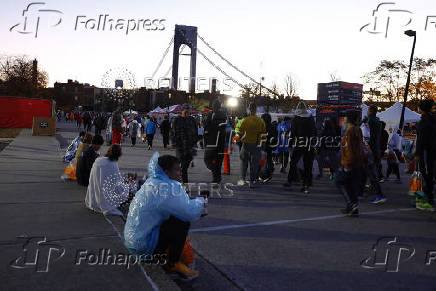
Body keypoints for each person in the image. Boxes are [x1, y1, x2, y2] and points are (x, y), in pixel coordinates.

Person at [124, 153, 205, 279]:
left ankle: (167, 257)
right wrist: (201, 201)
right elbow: (189, 212)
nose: (180, 173)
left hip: (133, 241)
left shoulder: (152, 181)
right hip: (143, 247)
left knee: (172, 218)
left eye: (180, 169)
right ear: (166, 172)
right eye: (177, 170)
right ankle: (173, 263)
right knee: (182, 222)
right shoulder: (166, 188)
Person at [85, 145, 127, 216]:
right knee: (129, 189)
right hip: (105, 197)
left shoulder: (98, 161)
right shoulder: (113, 164)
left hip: (93, 198)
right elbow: (118, 186)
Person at [284, 101, 317, 194]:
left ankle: (290, 181)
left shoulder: (296, 119)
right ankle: (306, 184)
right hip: (309, 143)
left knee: (293, 162)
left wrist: (290, 144)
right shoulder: (310, 118)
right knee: (308, 165)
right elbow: (314, 131)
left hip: (299, 143)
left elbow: (293, 133)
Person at [338, 110, 365, 216]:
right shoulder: (358, 130)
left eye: (345, 117)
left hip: (350, 162)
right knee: (350, 185)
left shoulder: (350, 132)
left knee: (340, 182)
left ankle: (352, 205)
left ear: (348, 119)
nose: (344, 119)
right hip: (357, 162)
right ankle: (352, 206)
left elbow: (349, 149)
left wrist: (347, 164)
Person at [237, 102, 266, 187]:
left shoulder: (245, 120)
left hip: (246, 144)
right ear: (256, 109)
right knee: (255, 163)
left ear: (249, 109)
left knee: (243, 162)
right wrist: (263, 144)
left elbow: (240, 132)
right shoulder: (260, 121)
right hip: (256, 144)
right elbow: (263, 134)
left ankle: (242, 179)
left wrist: (240, 140)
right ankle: (252, 181)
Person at [414, 99, 436, 211]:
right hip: (432, 151)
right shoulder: (433, 119)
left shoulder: (424, 121)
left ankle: (430, 202)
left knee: (426, 175)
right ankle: (429, 199)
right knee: (430, 174)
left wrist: (417, 154)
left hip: (425, 152)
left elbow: (421, 140)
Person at [172, 104, 198, 183]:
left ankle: (180, 182)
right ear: (182, 111)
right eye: (185, 110)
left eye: (188, 110)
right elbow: (173, 133)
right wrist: (175, 143)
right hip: (181, 147)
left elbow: (196, 132)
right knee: (183, 167)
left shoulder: (192, 120)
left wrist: (195, 143)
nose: (187, 112)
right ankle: (184, 184)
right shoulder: (177, 120)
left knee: (185, 167)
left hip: (190, 147)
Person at [203, 99, 227, 184]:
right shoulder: (224, 115)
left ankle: (215, 173)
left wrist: (205, 140)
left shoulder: (211, 115)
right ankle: (217, 178)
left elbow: (206, 128)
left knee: (207, 159)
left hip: (212, 141)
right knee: (218, 161)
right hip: (221, 142)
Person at [363, 105, 382, 182]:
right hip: (376, 145)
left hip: (369, 146)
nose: (367, 112)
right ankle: (375, 181)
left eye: (368, 110)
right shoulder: (378, 121)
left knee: (367, 165)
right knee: (375, 165)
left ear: (370, 111)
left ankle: (370, 183)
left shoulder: (368, 120)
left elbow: (365, 132)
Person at [259, 113, 277, 183]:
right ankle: (269, 171)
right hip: (269, 146)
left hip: (262, 145)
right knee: (269, 158)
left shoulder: (261, 126)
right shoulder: (272, 126)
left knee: (262, 159)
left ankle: (262, 174)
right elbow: (275, 136)